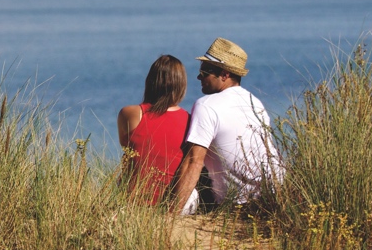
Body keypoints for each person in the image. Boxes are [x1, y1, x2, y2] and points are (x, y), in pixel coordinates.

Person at [168, 37, 282, 214]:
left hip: (236, 206)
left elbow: (194, 161)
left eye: (205, 71)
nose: (199, 76)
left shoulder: (206, 105)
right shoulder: (255, 102)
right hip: (272, 197)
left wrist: (172, 215)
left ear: (224, 75)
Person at [117, 55, 193, 206]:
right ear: (181, 85)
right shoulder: (190, 120)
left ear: (150, 82)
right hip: (172, 203)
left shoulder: (130, 114)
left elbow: (128, 149)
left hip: (132, 200)